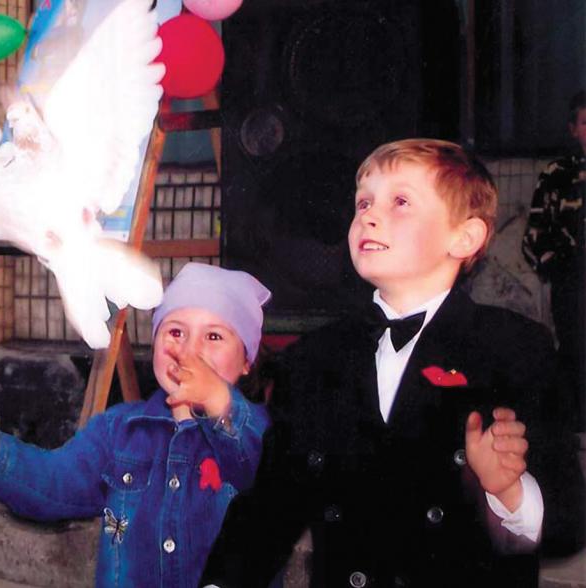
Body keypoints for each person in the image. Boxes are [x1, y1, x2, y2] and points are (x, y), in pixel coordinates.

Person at [200, 139, 586, 588]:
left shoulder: (516, 350)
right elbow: (267, 512)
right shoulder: (312, 360)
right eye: (363, 202)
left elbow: (567, 525)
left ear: (465, 237)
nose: (368, 214)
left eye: (400, 201)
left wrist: (509, 493)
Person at [0, 262, 272, 587]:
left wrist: (221, 403)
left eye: (214, 336)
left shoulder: (260, 431)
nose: (189, 350)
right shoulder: (119, 431)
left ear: (246, 361)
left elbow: (255, 467)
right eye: (175, 332)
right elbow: (56, 483)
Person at [522, 90, 586, 432]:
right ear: (573, 129)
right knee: (574, 348)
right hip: (573, 281)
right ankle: (574, 425)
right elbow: (534, 233)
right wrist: (557, 267)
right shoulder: (557, 173)